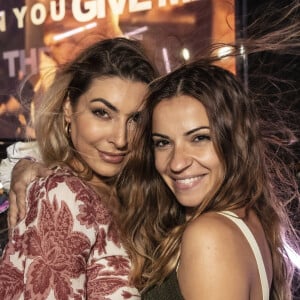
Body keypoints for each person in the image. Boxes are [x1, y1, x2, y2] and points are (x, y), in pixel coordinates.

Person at [115, 59, 299, 299]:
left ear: (235, 142)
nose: (177, 163)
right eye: (163, 143)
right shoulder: (248, 218)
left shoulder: (210, 236)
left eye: (199, 138)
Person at [0, 37, 158, 299]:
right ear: (68, 109)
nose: (120, 139)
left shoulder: (124, 192)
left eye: (135, 119)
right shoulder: (63, 194)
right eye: (102, 113)